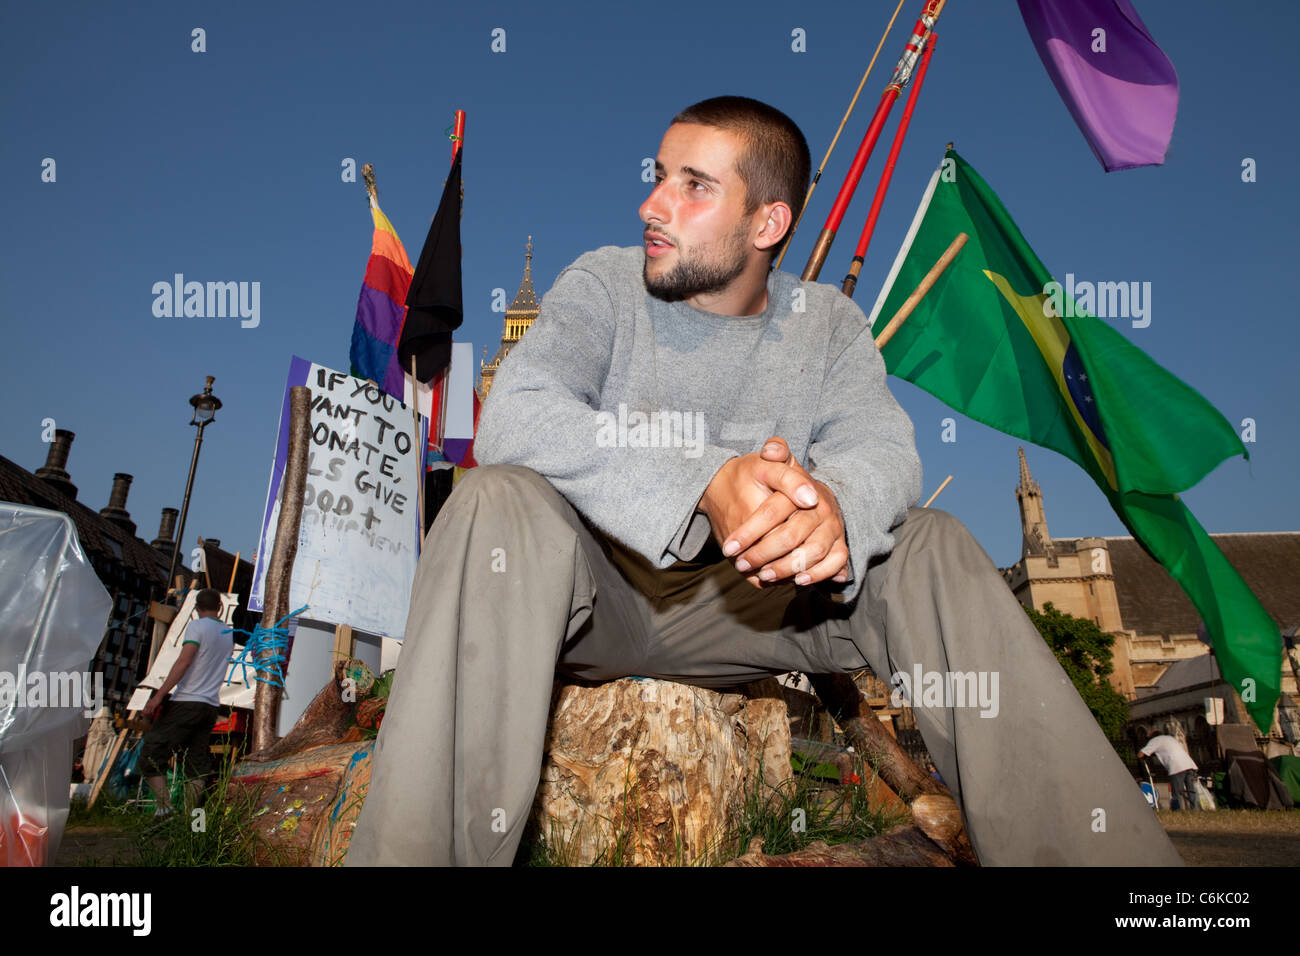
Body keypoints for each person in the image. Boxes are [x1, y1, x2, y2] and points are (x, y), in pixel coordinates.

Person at [346, 95, 1184, 867]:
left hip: (757, 606)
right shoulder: (603, 284)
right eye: (658, 178)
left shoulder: (829, 325)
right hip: (593, 595)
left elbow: (883, 444)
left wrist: (833, 512)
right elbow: (515, 413)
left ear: (767, 221)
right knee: (493, 500)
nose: (653, 205)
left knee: (928, 545)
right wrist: (706, 478)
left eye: (694, 186)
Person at [138, 588, 232, 817]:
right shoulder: (227, 632)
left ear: (196, 608)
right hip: (210, 705)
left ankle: (164, 808)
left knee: (152, 753)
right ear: (220, 607)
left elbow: (184, 661)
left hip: (187, 700)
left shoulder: (197, 626)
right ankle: (191, 818)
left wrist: (159, 695)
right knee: (197, 762)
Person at [1139, 731, 1200, 811]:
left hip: (1176, 766)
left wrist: (1145, 755)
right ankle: (1195, 809)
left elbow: (1141, 754)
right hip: (1189, 764)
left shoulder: (1155, 740)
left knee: (1177, 792)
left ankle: (1177, 810)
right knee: (1191, 789)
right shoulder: (1170, 738)